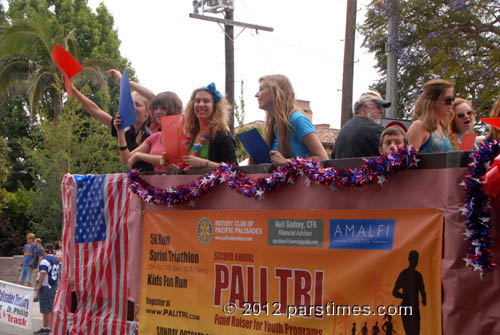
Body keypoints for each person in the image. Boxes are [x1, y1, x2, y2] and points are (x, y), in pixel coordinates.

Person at [71, 85, 154, 171]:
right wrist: (73, 89)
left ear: (147, 112)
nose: (132, 107)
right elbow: (96, 111)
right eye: (130, 104)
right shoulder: (124, 128)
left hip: (156, 178)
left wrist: (126, 82)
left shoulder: (152, 129)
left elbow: (152, 97)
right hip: (134, 180)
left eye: (138, 105)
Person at [254, 74, 328, 164]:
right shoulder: (273, 125)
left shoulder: (297, 119)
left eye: (261, 89)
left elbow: (323, 157)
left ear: (275, 92)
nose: (256, 95)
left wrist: (288, 162)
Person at [171, 83, 238, 169]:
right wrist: (169, 165)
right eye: (197, 101)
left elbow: (234, 169)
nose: (201, 104)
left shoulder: (222, 134)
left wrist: (205, 163)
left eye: (206, 101)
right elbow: (184, 169)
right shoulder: (190, 134)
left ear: (215, 106)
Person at [117, 91, 184, 171]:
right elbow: (126, 159)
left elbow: (173, 160)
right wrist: (120, 132)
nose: (158, 111)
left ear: (174, 110)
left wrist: (139, 156)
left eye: (163, 108)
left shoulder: (183, 133)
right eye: (156, 108)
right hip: (157, 182)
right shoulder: (154, 137)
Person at [333, 91, 391, 159]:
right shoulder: (374, 130)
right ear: (365, 107)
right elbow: (394, 158)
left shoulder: (342, 132)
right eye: (379, 107)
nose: (382, 111)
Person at [407, 79, 454, 153]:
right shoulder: (419, 126)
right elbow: (409, 161)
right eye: (448, 100)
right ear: (433, 101)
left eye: (452, 99)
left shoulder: (442, 127)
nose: (452, 103)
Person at [393, 250, 426, 335]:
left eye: (416, 259)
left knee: (415, 331)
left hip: (414, 307)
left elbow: (422, 290)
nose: (415, 261)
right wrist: (404, 296)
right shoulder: (404, 274)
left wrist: (424, 299)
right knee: (409, 331)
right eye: (414, 258)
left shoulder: (418, 275)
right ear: (409, 259)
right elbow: (395, 292)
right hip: (406, 307)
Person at [33, 243, 60, 334]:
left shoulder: (45, 260)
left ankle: (48, 328)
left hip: (46, 286)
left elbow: (43, 273)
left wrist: (39, 285)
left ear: (45, 250)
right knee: (46, 308)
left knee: (47, 309)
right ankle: (45, 327)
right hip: (52, 286)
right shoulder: (56, 260)